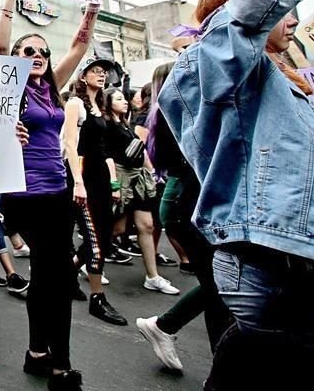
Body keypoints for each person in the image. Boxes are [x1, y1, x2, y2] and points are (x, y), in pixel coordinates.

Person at [159, 0, 314, 390]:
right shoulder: (217, 62)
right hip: (272, 257)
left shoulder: (278, 76)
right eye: (274, 10)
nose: (291, 13)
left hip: (299, 251)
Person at [0, 0, 105, 391]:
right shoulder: (10, 88)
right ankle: (61, 366)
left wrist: (91, 8)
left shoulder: (53, 87)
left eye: (41, 50)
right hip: (24, 195)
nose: (36, 55)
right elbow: (2, 45)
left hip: (56, 191)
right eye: (29, 51)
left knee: (48, 277)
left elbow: (79, 46)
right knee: (57, 278)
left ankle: (37, 352)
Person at [136, 62, 232, 373]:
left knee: (218, 285)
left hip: (187, 202)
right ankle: (166, 326)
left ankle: (171, 329)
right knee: (219, 283)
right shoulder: (174, 116)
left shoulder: (181, 113)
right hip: (185, 204)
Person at [64, 59, 128, 326]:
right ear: (83, 75)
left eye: (103, 72)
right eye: (95, 71)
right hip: (84, 175)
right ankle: (97, 298)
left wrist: (113, 184)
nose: (101, 75)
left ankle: (66, 276)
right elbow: (70, 144)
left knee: (102, 234)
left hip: (101, 177)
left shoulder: (100, 107)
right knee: (95, 240)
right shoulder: (75, 104)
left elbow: (105, 151)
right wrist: (78, 182)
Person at [103, 88, 179, 296]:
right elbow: (108, 155)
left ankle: (152, 277)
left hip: (137, 180)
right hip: (122, 178)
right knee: (116, 230)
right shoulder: (107, 125)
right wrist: (114, 184)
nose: (125, 101)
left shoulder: (125, 124)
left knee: (146, 225)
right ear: (108, 103)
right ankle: (87, 261)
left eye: (124, 98)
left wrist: (151, 171)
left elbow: (141, 150)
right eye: (118, 99)